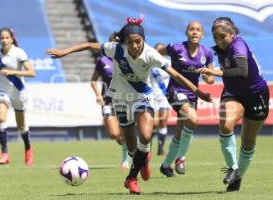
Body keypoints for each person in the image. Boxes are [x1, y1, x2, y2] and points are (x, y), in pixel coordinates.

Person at [46, 17, 211, 194]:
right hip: (120, 99)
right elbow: (88, 45)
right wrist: (64, 52)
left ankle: (131, 178)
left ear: (143, 40)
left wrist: (197, 91)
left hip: (143, 97)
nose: (134, 46)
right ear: (125, 42)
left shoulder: (151, 54)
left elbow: (176, 75)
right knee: (132, 148)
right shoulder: (115, 49)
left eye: (138, 42)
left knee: (146, 135)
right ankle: (143, 160)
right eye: (130, 42)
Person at [197, 17, 269, 192]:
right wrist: (209, 75)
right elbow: (214, 73)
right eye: (216, 38)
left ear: (233, 33)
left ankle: (237, 178)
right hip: (233, 93)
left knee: (248, 141)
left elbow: (242, 71)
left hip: (256, 94)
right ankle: (233, 167)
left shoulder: (238, 45)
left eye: (223, 36)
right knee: (226, 125)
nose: (219, 41)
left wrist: (214, 71)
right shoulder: (220, 49)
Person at [159, 21, 214, 177]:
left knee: (179, 132)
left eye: (198, 30)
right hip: (175, 91)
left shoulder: (207, 53)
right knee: (193, 119)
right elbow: (159, 51)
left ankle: (165, 165)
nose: (195, 32)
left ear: (202, 34)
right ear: (186, 32)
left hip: (192, 94)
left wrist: (207, 77)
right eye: (191, 29)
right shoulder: (176, 48)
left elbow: (210, 78)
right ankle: (181, 158)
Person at [0, 27, 36, 166]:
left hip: (18, 91)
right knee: (2, 118)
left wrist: (12, 72)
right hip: (2, 90)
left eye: (7, 37)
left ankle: (27, 148)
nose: (4, 40)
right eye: (2, 38)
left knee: (21, 126)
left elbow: (32, 72)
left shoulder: (19, 53)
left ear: (12, 38)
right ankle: (4, 154)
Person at [90, 34, 130, 170]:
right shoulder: (102, 61)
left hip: (124, 100)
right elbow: (93, 80)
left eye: (118, 43)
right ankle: (129, 145)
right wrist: (97, 95)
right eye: (113, 42)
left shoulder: (128, 60)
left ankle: (126, 159)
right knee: (114, 134)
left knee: (124, 130)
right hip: (107, 101)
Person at [150, 43, 171, 156]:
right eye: (156, 50)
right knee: (154, 123)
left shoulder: (168, 62)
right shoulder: (150, 63)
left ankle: (161, 147)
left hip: (164, 96)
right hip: (152, 97)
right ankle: (148, 146)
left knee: (163, 122)